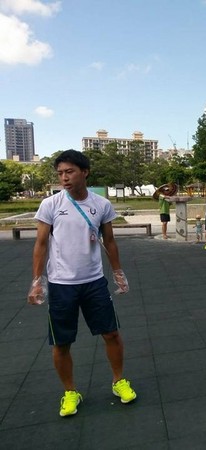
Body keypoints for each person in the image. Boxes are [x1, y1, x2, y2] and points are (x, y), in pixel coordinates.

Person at [27, 150, 136, 418]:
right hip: (62, 284)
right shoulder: (51, 205)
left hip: (94, 282)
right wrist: (37, 281)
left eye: (69, 172)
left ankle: (118, 381)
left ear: (84, 172)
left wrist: (119, 273)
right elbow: (41, 243)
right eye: (60, 173)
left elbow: (109, 241)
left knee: (111, 333)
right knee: (61, 343)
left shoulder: (101, 205)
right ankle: (70, 391)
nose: (64, 178)